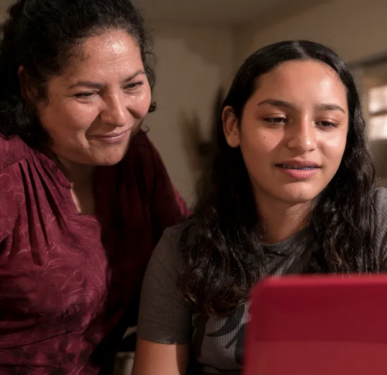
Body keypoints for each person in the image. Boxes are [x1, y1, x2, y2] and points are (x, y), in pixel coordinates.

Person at [0, 0, 188, 374]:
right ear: (31, 87)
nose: (118, 115)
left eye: (133, 85)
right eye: (87, 94)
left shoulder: (135, 158)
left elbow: (189, 256)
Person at [133, 40, 387, 375]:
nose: (304, 142)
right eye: (277, 118)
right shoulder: (183, 249)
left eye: (326, 123)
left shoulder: (379, 222)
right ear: (233, 126)